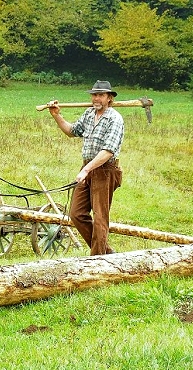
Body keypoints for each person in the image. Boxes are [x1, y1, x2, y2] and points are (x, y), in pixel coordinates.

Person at [47, 80, 124, 255]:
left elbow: (108, 150)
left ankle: (97, 260)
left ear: (109, 98)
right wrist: (56, 115)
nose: (96, 98)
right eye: (94, 95)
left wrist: (86, 169)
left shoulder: (114, 118)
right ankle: (105, 253)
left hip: (105, 170)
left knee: (100, 217)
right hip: (88, 168)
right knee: (77, 214)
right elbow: (71, 131)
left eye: (101, 95)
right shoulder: (89, 114)